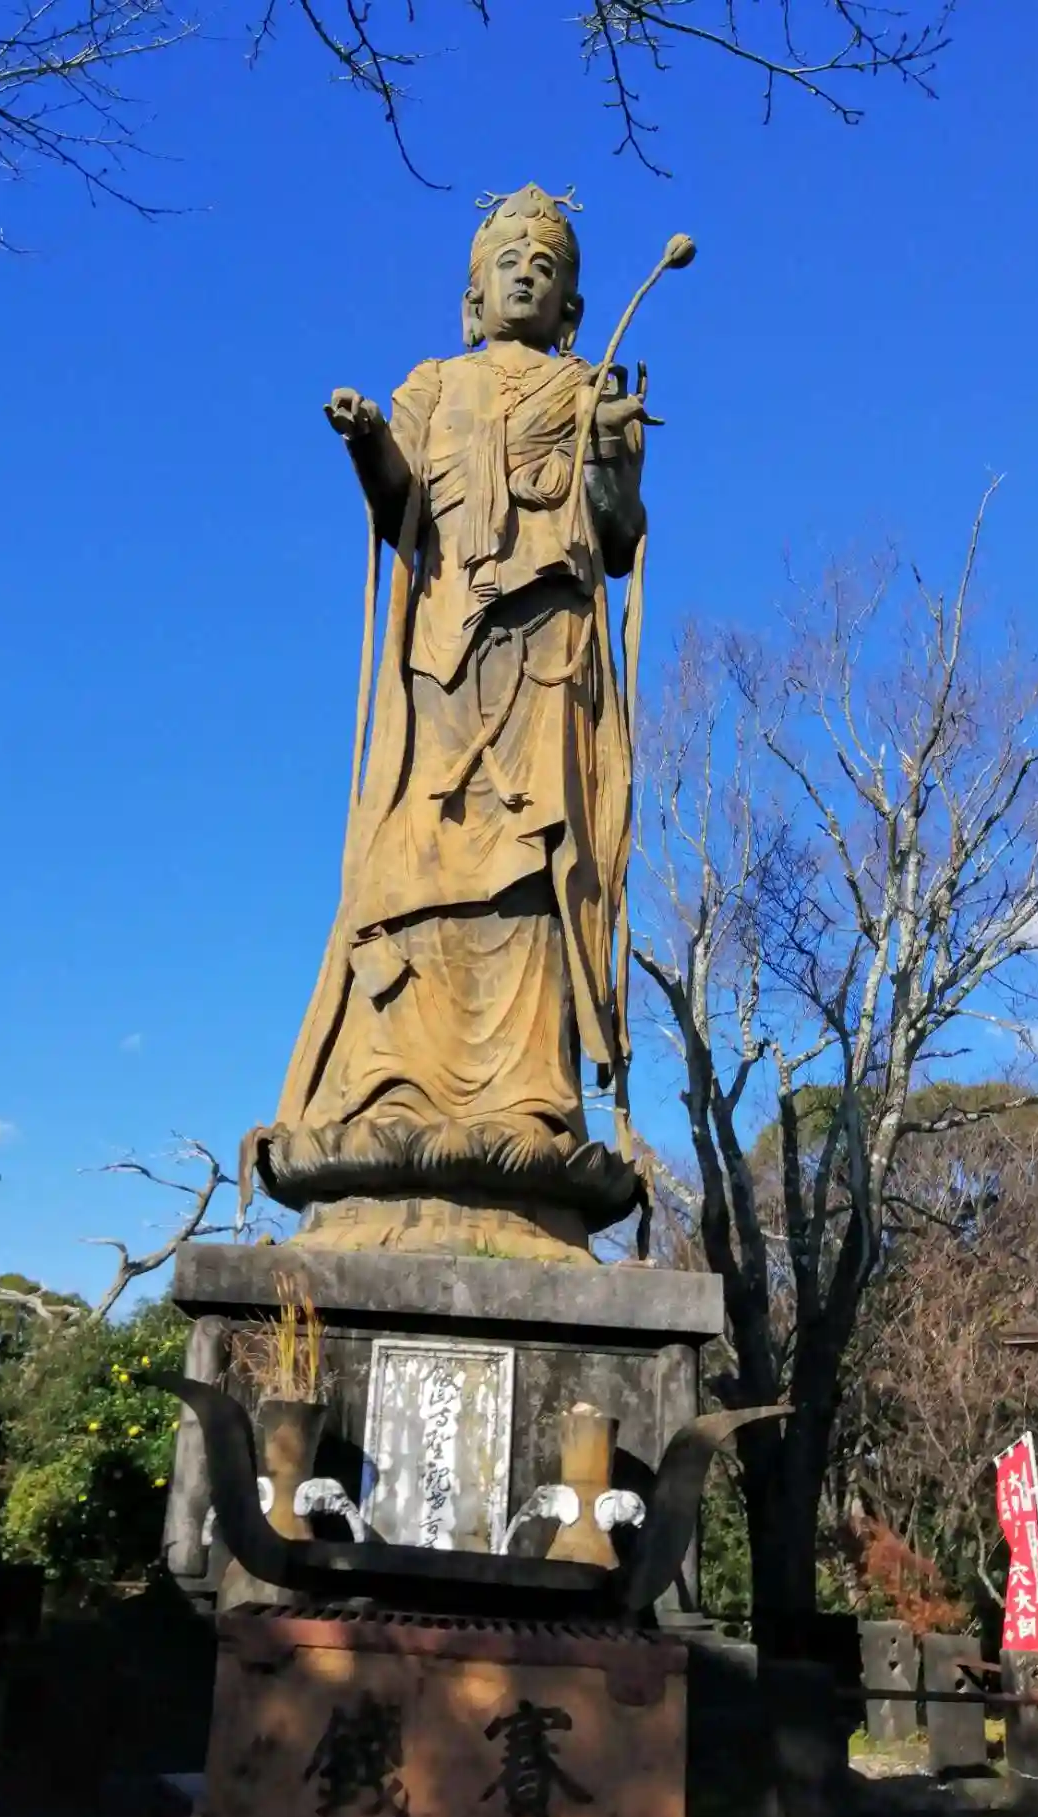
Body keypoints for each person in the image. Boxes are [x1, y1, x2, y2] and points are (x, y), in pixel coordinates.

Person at [260, 186, 654, 1252]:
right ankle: (391, 1081)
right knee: (415, 856)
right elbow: (400, 500)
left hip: (545, 661)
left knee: (533, 869)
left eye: (546, 265)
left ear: (572, 307)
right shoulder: (435, 383)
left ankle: (531, 1098)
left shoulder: (588, 390)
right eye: (507, 262)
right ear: (472, 296)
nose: (525, 273)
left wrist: (609, 458)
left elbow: (618, 536)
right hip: (445, 656)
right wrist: (368, 439)